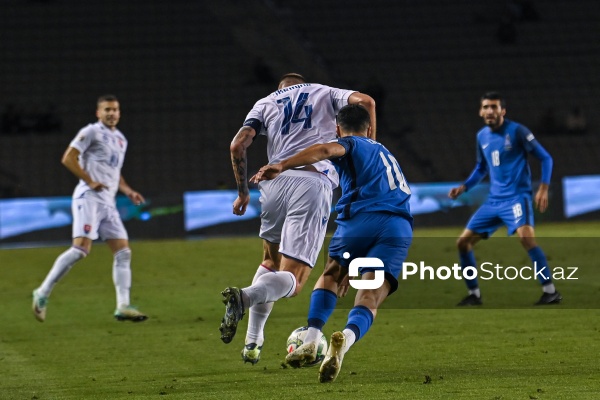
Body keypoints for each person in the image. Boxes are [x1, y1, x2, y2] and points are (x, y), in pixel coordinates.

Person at [221, 73, 376, 366]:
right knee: (295, 278)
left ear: (281, 88)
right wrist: (371, 146)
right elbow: (366, 101)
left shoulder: (266, 102)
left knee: (270, 261)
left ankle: (253, 342)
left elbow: (237, 145)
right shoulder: (323, 91)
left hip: (274, 181)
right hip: (312, 181)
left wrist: (242, 194)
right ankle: (244, 297)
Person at [251, 104, 413, 383]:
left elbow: (326, 151)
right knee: (371, 296)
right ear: (370, 128)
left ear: (338, 129)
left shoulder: (349, 143)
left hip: (359, 221)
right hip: (397, 227)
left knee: (331, 275)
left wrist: (282, 164)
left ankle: (313, 336)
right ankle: (345, 341)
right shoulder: (386, 152)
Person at [31, 95, 148, 323]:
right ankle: (42, 292)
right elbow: (68, 158)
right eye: (107, 110)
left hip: (108, 202)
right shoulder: (91, 132)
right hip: (89, 197)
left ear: (119, 112)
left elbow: (114, 172)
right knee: (80, 250)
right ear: (98, 113)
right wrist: (90, 180)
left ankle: (123, 305)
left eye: (115, 110)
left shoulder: (121, 139)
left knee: (123, 252)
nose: (111, 113)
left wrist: (128, 190)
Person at [448, 92, 561, 306]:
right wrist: (464, 187)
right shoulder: (481, 136)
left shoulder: (517, 131)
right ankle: (474, 295)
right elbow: (481, 167)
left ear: (503, 110)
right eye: (486, 107)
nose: (490, 111)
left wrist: (543, 188)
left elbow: (546, 158)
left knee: (526, 239)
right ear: (481, 112)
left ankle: (550, 291)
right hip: (493, 201)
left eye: (494, 107)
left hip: (517, 198)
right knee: (463, 243)